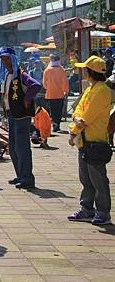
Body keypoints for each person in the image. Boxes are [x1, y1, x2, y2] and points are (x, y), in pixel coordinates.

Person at [68, 55, 112, 225]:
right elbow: (77, 110)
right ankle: (87, 208)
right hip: (84, 141)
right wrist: (75, 123)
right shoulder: (90, 88)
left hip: (95, 140)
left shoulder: (102, 90)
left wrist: (74, 128)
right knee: (85, 179)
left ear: (90, 72)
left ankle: (103, 212)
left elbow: (86, 118)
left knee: (98, 179)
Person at [0, 46, 41, 189]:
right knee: (13, 147)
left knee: (22, 148)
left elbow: (36, 85)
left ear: (13, 59)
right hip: (11, 115)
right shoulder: (7, 75)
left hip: (21, 116)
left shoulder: (21, 75)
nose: (5, 61)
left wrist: (27, 98)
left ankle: (27, 178)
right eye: (3, 59)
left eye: (7, 58)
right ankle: (20, 175)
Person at [43, 54, 69, 132]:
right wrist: (66, 91)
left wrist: (48, 88)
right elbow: (65, 82)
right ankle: (57, 124)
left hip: (50, 94)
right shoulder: (62, 70)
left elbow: (44, 84)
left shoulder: (47, 70)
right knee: (59, 110)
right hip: (60, 94)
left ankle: (54, 123)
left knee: (52, 110)